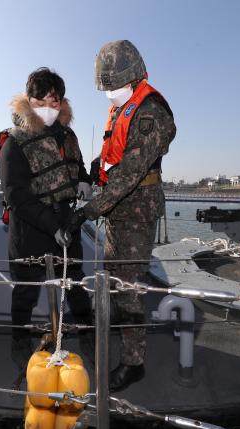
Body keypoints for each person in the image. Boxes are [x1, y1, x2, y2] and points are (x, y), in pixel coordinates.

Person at [59, 40, 176, 391]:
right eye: (106, 87)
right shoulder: (123, 107)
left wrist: (86, 212)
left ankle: (133, 362)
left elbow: (129, 174)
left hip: (136, 210)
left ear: (134, 76)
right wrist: (98, 164)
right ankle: (118, 336)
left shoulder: (151, 111)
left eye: (113, 86)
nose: (109, 93)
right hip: (118, 208)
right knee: (113, 279)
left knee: (128, 289)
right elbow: (115, 153)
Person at [0, 67, 93, 367]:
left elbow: (77, 166)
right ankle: (19, 342)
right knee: (25, 294)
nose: (49, 109)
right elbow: (15, 195)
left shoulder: (68, 136)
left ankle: (89, 334)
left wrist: (84, 180)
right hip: (30, 231)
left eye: (55, 102)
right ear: (29, 101)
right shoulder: (13, 142)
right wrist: (51, 225)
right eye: (42, 102)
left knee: (76, 285)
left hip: (66, 224)